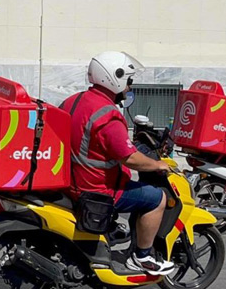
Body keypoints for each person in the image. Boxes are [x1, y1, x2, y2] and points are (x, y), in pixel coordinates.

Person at [60, 51, 175, 275]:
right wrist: (158, 165)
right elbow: (130, 158)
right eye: (129, 81)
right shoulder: (107, 115)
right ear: (116, 78)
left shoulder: (73, 100)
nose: (129, 87)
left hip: (70, 181)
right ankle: (142, 257)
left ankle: (111, 232)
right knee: (157, 198)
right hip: (97, 189)